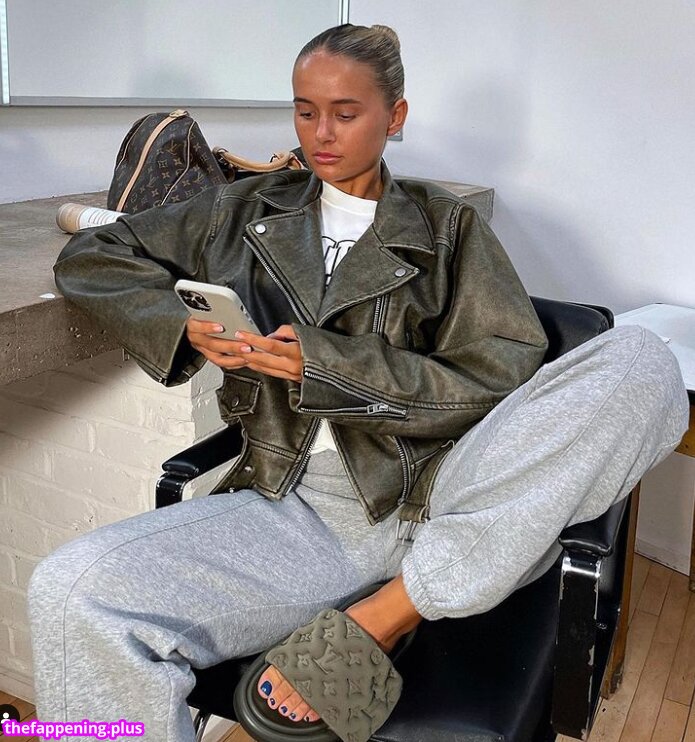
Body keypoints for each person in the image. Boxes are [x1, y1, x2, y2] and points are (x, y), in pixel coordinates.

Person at [27, 22, 688, 742]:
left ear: (393, 116)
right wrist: (179, 325)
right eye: (305, 110)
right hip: (305, 511)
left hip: (453, 485)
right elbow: (94, 254)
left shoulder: (447, 226)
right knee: (71, 589)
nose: (321, 133)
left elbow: (496, 379)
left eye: (345, 112)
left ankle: (391, 612)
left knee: (641, 358)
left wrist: (330, 368)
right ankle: (441, 580)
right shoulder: (240, 211)